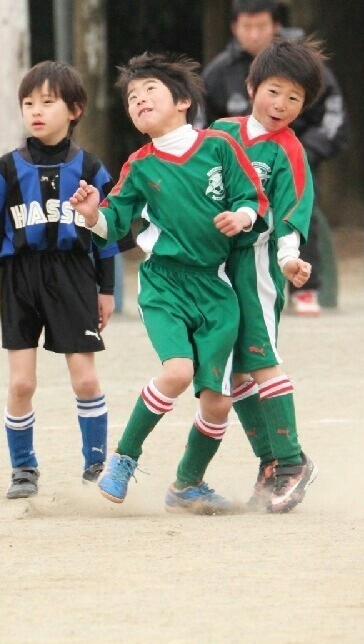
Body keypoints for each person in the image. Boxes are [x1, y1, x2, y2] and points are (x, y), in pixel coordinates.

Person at [70, 53, 268, 515]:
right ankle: (123, 458)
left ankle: (188, 484)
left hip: (218, 291)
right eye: (132, 99)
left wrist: (240, 216)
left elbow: (250, 196)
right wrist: (92, 214)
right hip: (165, 285)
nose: (138, 101)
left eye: (149, 92)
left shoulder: (219, 146)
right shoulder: (139, 166)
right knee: (177, 372)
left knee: (218, 404)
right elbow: (115, 219)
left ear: (182, 101)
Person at [0, 61, 120, 500]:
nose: (36, 111)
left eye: (48, 102)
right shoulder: (8, 169)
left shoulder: (90, 167)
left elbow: (106, 234)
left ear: (75, 110)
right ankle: (23, 468)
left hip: (73, 276)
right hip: (19, 279)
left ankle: (96, 463)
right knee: (21, 384)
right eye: (28, 103)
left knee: (85, 379)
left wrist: (106, 290)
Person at [209, 37, 323, 513]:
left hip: (256, 265)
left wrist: (289, 260)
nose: (282, 105)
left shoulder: (290, 151)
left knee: (260, 360)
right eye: (274, 91)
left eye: (295, 98)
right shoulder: (219, 132)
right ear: (251, 85)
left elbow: (294, 212)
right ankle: (271, 462)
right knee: (231, 375)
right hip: (213, 269)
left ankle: (293, 462)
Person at [202, 0, 348, 316]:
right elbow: (200, 127)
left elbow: (333, 119)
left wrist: (299, 152)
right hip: (231, 167)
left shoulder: (308, 68)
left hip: (292, 155)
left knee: (298, 207)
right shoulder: (218, 72)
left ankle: (305, 287)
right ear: (233, 27)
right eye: (246, 26)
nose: (254, 34)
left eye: (261, 26)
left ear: (276, 25)